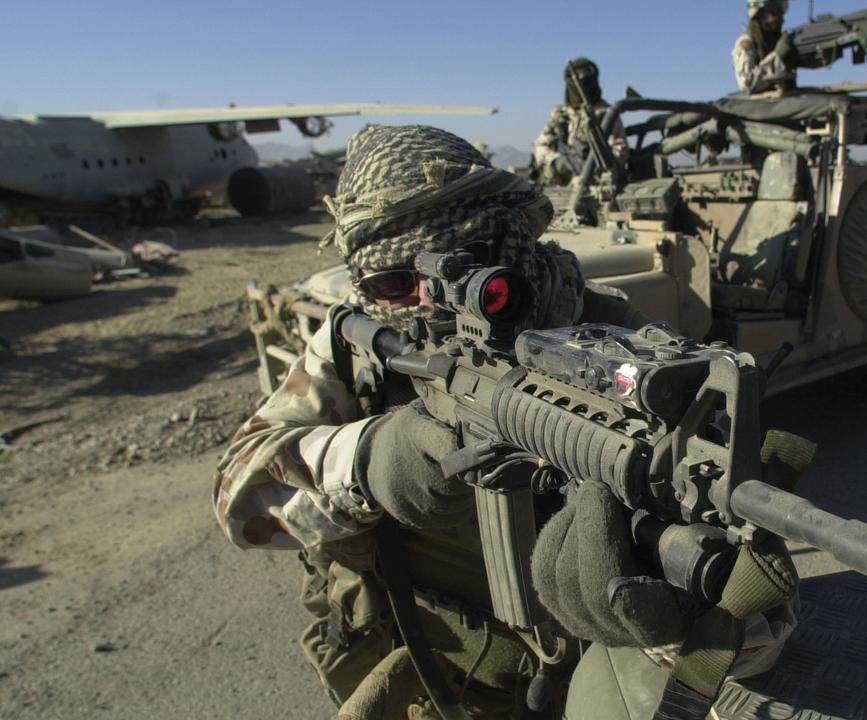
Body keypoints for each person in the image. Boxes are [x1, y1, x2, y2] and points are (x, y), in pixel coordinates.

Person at [213, 124, 794, 719]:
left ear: (511, 241)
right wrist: (367, 462)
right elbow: (234, 496)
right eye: (393, 285)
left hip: (575, 683)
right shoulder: (359, 346)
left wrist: (672, 616)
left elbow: (757, 626)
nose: (428, 302)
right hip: (419, 654)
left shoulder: (619, 348)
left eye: (465, 269)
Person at [530, 58, 628, 187]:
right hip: (561, 184)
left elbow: (620, 152)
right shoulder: (560, 114)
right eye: (575, 75)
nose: (579, 80)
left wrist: (593, 166)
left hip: (594, 184)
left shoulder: (606, 114)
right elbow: (539, 145)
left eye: (584, 74)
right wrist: (557, 161)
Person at [732, 0, 840, 94]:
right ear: (759, 13)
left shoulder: (779, 41)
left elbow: (808, 61)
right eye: (774, 11)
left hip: (783, 99)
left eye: (781, 12)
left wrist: (831, 52)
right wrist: (778, 55)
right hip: (759, 108)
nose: (779, 17)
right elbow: (747, 84)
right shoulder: (746, 44)